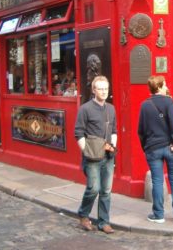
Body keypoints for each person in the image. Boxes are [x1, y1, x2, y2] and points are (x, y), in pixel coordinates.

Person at [138, 75, 173, 224]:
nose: (166, 87)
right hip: (171, 147)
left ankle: (158, 215)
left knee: (157, 181)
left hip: (153, 148)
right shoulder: (169, 102)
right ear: (158, 87)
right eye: (164, 85)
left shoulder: (144, 105)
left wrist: (145, 147)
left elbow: (141, 130)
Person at [74, 76, 117, 234]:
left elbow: (114, 131)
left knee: (106, 190)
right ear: (94, 90)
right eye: (100, 89)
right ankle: (83, 215)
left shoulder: (111, 109)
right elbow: (78, 132)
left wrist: (113, 146)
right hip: (92, 157)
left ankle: (103, 221)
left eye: (106, 88)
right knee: (94, 188)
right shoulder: (85, 109)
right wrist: (86, 151)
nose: (104, 92)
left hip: (107, 156)